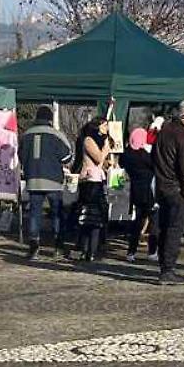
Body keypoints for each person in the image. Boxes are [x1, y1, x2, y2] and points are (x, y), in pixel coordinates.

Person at [153, 100, 184, 285]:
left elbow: (155, 159)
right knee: (174, 230)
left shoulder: (164, 131)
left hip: (162, 186)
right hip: (177, 189)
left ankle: (164, 267)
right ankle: (168, 270)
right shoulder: (183, 135)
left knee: (165, 229)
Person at [19, 106, 71, 260]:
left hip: (33, 179)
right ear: (49, 118)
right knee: (56, 214)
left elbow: (21, 157)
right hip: (53, 180)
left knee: (35, 214)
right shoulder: (56, 135)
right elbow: (67, 157)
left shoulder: (26, 134)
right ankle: (58, 247)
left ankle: (34, 247)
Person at [74, 117, 111, 262]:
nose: (106, 128)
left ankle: (92, 250)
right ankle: (85, 249)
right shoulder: (89, 140)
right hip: (90, 182)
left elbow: (103, 162)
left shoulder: (97, 141)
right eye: (104, 125)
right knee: (89, 217)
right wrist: (106, 149)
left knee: (96, 218)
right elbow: (98, 158)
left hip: (97, 179)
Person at [120, 127, 158, 263]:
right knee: (154, 222)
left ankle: (131, 252)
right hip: (149, 192)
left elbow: (121, 164)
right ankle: (152, 251)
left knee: (137, 222)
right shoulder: (145, 156)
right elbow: (156, 166)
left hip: (135, 192)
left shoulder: (126, 155)